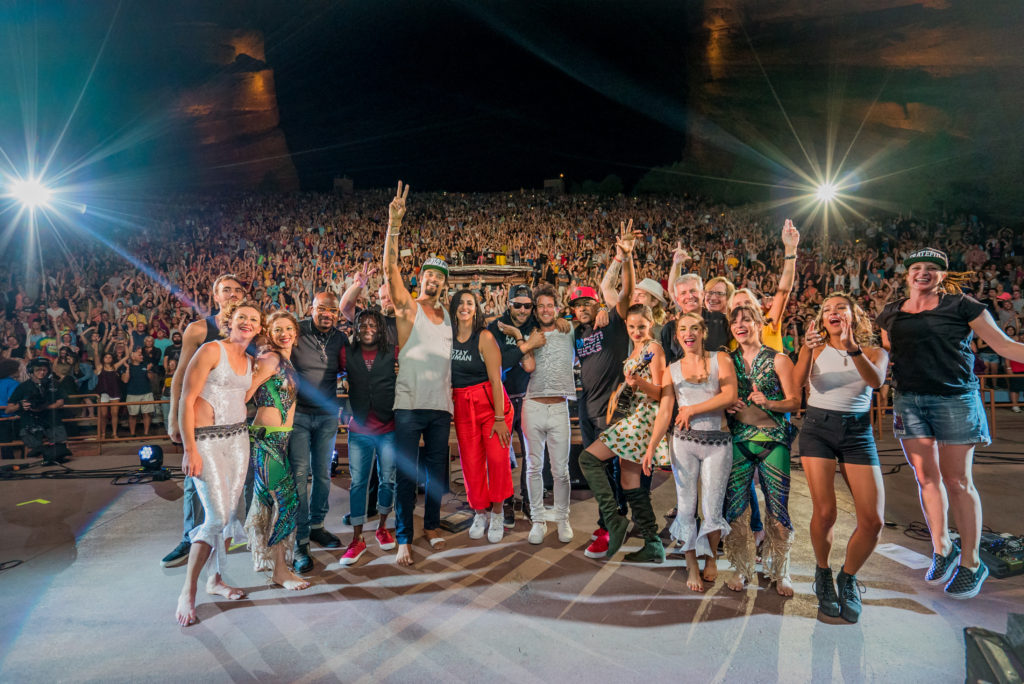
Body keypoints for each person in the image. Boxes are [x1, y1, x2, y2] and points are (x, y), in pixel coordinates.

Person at [876, 248, 1024, 599]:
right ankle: (942, 548)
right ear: (907, 274)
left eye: (931, 268)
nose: (923, 272)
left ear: (943, 275)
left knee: (957, 481)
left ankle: (972, 563)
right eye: (916, 267)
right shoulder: (890, 313)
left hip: (955, 400)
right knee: (926, 479)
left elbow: (1004, 346)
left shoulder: (963, 306)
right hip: (909, 401)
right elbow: (887, 353)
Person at [794, 293, 888, 623]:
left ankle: (847, 578)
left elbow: (876, 381)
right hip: (818, 428)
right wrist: (805, 350)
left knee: (874, 521)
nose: (833, 312)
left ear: (854, 315)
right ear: (821, 319)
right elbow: (794, 387)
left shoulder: (874, 352)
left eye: (840, 308)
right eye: (827, 310)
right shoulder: (815, 348)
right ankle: (822, 573)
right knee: (825, 512)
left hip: (857, 433)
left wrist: (852, 348)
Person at [175, 300, 261, 627]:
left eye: (254, 319)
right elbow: (186, 399)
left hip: (238, 439)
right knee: (217, 516)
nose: (247, 322)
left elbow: (242, 397)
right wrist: (189, 449)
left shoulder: (250, 361)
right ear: (230, 321)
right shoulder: (211, 350)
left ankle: (216, 579)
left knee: (230, 516)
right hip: (206, 440)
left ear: (259, 328)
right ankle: (188, 589)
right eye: (242, 317)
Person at [384, 182, 454, 567]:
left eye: (441, 276)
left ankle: (431, 527)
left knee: (437, 474)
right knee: (407, 476)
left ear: (445, 283)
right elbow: (389, 269)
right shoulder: (408, 308)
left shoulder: (450, 317)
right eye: (430, 274)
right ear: (421, 276)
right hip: (409, 406)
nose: (435, 280)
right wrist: (394, 225)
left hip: (440, 408)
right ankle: (403, 538)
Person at [643, 312, 737, 591]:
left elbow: (730, 396)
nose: (689, 333)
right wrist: (651, 447)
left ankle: (711, 557)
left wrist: (692, 409)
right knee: (686, 507)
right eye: (683, 329)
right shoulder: (671, 370)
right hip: (683, 443)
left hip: (718, 443)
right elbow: (665, 412)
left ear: (703, 332)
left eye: (694, 328)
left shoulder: (721, 359)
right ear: (677, 335)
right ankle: (691, 563)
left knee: (712, 507)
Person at [162, 273, 247, 568]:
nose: (233, 294)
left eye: (238, 290)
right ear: (216, 296)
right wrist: (173, 417)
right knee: (195, 482)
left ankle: (225, 537)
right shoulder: (199, 329)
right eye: (227, 290)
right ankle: (190, 539)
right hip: (201, 422)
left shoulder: (249, 331)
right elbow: (180, 376)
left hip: (234, 422)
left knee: (235, 482)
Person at [578, 303, 669, 563]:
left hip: (643, 420)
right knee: (630, 482)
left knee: (588, 459)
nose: (636, 331)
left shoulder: (653, 348)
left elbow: (661, 391)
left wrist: (638, 383)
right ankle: (653, 544)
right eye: (631, 327)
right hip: (632, 417)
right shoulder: (636, 350)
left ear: (651, 323)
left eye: (641, 326)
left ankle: (614, 519)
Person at [723, 304, 801, 595]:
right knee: (736, 511)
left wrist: (769, 403)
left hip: (773, 440)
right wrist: (727, 406)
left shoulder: (779, 359)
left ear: (759, 323)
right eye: (735, 322)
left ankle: (781, 570)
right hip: (739, 440)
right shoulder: (727, 360)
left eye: (746, 320)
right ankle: (742, 568)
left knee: (778, 511)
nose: (740, 326)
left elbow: (795, 402)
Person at [573, 221, 637, 558]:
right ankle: (614, 521)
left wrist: (625, 258)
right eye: (578, 305)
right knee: (597, 468)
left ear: (596, 303)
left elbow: (625, 295)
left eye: (588, 303)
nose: (583, 308)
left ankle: (611, 523)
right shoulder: (577, 333)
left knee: (610, 468)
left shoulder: (612, 321)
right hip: (587, 407)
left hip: (611, 408)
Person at [243, 311, 310, 590]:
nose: (284, 334)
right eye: (278, 329)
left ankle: (270, 563)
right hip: (266, 439)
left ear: (296, 333)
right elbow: (243, 393)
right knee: (288, 501)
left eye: (289, 328)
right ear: (269, 334)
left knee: (266, 503)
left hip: (280, 439)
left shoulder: (286, 360)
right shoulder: (270, 358)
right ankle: (281, 572)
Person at [288, 291, 348, 572]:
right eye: (321, 308)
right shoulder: (296, 331)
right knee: (299, 476)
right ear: (311, 308)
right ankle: (300, 541)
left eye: (332, 311)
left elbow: (348, 369)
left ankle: (317, 526)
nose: (327, 314)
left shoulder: (340, 338)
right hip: (298, 414)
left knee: (323, 473)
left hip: (326, 415)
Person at [450, 289, 514, 543]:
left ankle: (497, 512)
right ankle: (479, 512)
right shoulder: (448, 337)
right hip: (463, 405)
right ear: (454, 307)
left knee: (497, 460)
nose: (465, 307)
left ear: (476, 308)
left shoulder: (484, 336)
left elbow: (496, 381)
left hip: (491, 405)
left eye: (470, 303)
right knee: (470, 462)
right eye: (460, 303)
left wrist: (499, 419)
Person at [337, 308, 399, 565]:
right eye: (363, 325)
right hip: (360, 429)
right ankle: (357, 538)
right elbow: (328, 375)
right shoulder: (346, 353)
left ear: (381, 328)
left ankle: (382, 527)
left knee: (387, 481)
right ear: (356, 328)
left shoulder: (393, 352)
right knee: (358, 484)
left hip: (388, 427)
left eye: (374, 325)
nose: (368, 329)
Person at [519, 284, 577, 544]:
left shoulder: (568, 329)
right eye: (540, 305)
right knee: (534, 467)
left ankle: (563, 518)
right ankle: (538, 520)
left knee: (561, 470)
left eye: (549, 305)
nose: (545, 310)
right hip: (532, 405)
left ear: (557, 308)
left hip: (559, 407)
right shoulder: (528, 333)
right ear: (535, 309)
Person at [5, 357, 70, 463]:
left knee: (61, 449)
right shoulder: (23, 387)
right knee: (34, 451)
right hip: (30, 422)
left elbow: (60, 402)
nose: (42, 372)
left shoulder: (54, 383)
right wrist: (20, 405)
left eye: (44, 370)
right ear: (31, 371)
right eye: (38, 370)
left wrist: (44, 407)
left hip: (51, 420)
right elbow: (8, 410)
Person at [121, 346, 157, 437]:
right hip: (132, 394)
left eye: (142, 355)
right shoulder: (127, 367)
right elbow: (125, 380)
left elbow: (152, 379)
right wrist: (127, 368)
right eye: (139, 355)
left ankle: (146, 434)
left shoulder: (145, 365)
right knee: (132, 415)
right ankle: (132, 434)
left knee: (146, 414)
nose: (142, 356)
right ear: (133, 357)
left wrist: (148, 370)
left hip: (146, 393)